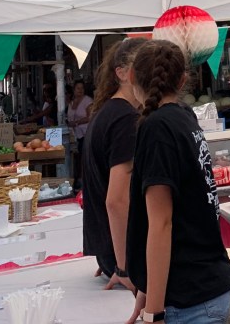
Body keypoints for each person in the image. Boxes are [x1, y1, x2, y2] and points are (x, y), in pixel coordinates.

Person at [126, 39, 230, 324]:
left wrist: (154, 312)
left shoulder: (157, 128)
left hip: (189, 297)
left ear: (131, 76)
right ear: (183, 80)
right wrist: (147, 290)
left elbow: (161, 223)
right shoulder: (183, 117)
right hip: (206, 283)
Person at [83, 38, 144, 289]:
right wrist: (124, 266)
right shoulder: (125, 118)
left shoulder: (108, 112)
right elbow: (116, 200)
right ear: (121, 73)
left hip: (110, 250)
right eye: (144, 66)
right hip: (123, 257)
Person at [66, 78, 94, 187]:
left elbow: (90, 116)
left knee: (83, 158)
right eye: (78, 88)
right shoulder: (71, 102)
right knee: (76, 159)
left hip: (85, 134)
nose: (80, 90)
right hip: (74, 135)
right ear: (74, 90)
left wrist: (77, 122)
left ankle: (83, 181)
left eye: (82, 88)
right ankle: (76, 180)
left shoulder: (87, 101)